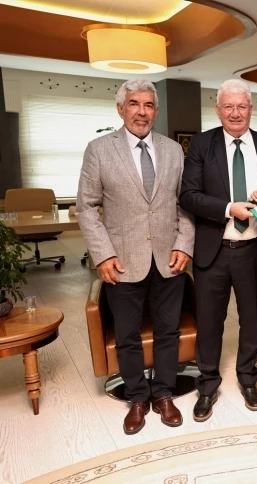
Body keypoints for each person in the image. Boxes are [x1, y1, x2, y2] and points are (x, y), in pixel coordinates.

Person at [76, 79, 195, 434]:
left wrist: (183, 244)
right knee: (127, 333)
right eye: (134, 104)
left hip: (169, 258)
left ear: (156, 110)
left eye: (148, 105)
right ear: (120, 109)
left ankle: (164, 393)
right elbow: (86, 208)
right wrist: (103, 255)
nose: (141, 112)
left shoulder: (173, 150)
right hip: (122, 260)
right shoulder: (99, 150)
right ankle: (138, 398)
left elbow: (185, 204)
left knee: (168, 330)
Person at [179, 79, 257, 422]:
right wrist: (228, 208)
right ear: (218, 110)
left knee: (251, 319)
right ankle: (208, 384)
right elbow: (188, 195)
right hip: (213, 249)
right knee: (210, 322)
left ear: (251, 109)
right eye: (229, 106)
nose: (236, 113)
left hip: (255, 249)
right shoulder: (202, 144)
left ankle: (248, 378)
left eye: (242, 106)